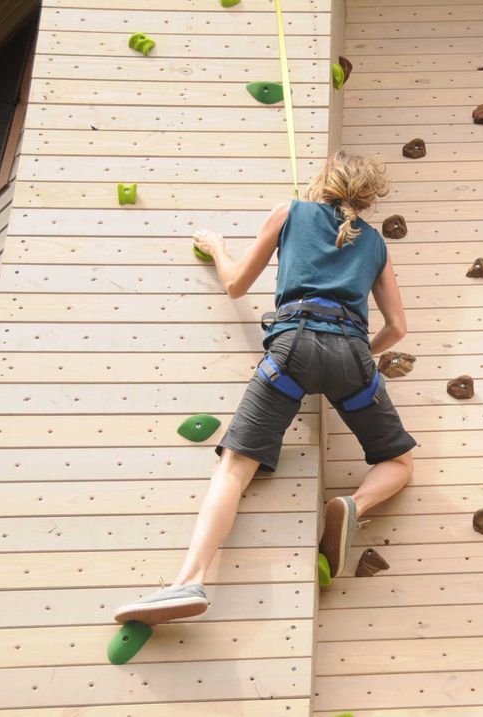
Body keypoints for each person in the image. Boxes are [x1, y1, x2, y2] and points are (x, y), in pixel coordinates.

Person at [113, 151, 417, 625]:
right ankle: (351, 506)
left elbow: (236, 285)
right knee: (397, 462)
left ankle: (187, 581)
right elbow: (397, 329)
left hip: (293, 349)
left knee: (235, 467)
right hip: (353, 356)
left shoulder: (290, 212)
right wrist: (357, 357)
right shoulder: (376, 244)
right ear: (369, 195)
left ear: (323, 181)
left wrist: (215, 245)